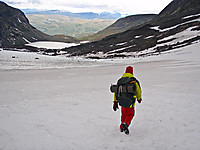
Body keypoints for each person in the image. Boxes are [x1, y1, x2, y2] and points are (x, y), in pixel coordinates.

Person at [113, 66, 142, 135]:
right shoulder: (133, 80)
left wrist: (115, 101)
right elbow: (138, 91)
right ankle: (125, 124)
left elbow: (116, 92)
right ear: (132, 72)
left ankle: (121, 127)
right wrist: (139, 98)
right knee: (130, 114)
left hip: (121, 101)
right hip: (130, 102)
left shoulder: (120, 80)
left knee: (124, 114)